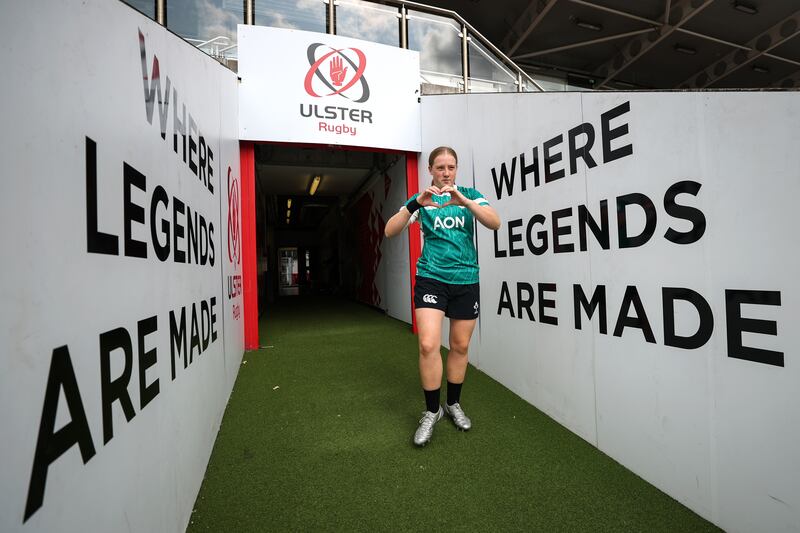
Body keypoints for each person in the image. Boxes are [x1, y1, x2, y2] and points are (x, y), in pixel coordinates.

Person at [384, 146, 501, 446]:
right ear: (431, 170)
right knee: (427, 344)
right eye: (440, 167)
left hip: (465, 279)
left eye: (450, 167)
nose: (446, 173)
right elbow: (389, 230)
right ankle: (431, 410)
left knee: (459, 345)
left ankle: (454, 404)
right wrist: (414, 206)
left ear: (456, 169)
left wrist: (464, 201)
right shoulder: (422, 199)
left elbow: (494, 222)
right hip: (431, 279)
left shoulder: (470, 194)